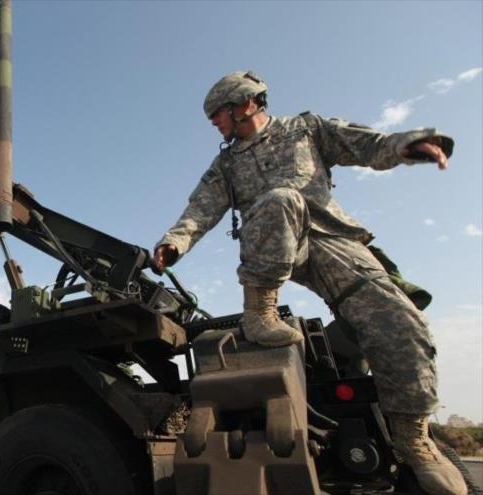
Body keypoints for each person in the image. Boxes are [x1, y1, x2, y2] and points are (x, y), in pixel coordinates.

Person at [152, 71, 465, 495]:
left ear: (245, 104)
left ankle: (414, 440)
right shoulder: (227, 164)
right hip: (278, 245)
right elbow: (199, 210)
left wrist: (407, 146)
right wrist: (174, 244)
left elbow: (366, 143)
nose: (215, 125)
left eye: (218, 115)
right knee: (282, 199)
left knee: (402, 324)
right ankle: (259, 309)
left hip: (334, 239)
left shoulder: (306, 129)